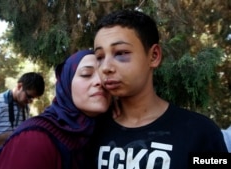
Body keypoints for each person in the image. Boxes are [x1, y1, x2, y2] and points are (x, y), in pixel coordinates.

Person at [88, 10, 228, 169]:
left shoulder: (200, 132)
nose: (106, 67)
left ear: (154, 56)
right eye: (99, 57)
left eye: (121, 53)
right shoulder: (90, 131)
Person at [0, 50, 111, 169]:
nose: (100, 81)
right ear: (66, 84)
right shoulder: (34, 139)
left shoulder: (106, 130)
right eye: (86, 74)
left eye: (105, 75)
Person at [0, 72, 45, 169]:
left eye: (33, 99)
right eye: (29, 96)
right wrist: (13, 136)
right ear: (19, 86)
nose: (30, 101)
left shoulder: (25, 107)